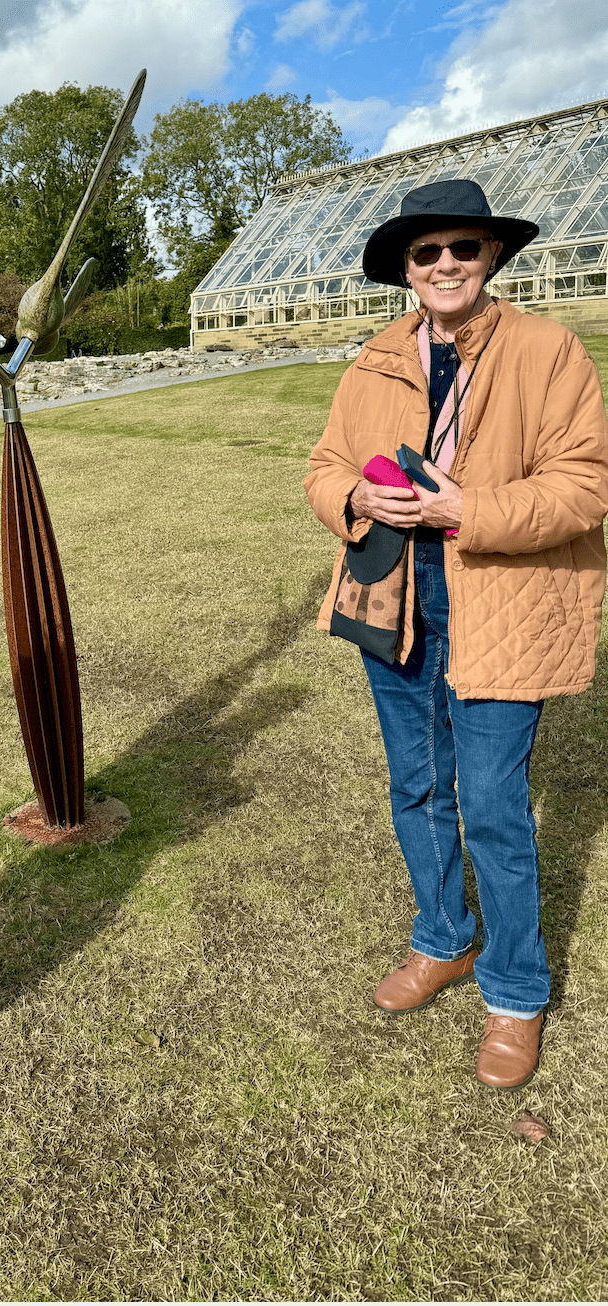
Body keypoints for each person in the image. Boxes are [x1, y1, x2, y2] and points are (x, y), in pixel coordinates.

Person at [306, 179, 608, 1090]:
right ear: (407, 268)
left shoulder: (548, 351)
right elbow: (322, 467)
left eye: (462, 249)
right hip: (392, 594)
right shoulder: (374, 359)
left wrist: (468, 506)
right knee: (415, 784)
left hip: (503, 595)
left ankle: (515, 994)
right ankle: (443, 939)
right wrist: (354, 497)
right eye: (427, 252)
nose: (445, 265)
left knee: (493, 806)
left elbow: (585, 485)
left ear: (491, 258)